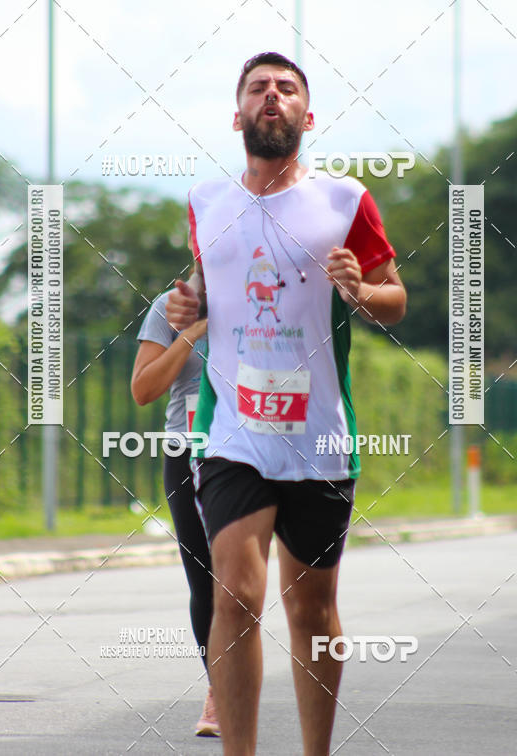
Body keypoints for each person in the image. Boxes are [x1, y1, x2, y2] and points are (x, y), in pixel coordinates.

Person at [166, 52, 407, 756]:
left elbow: (395, 301)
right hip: (233, 431)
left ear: (308, 114)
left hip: (319, 436)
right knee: (235, 597)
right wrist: (192, 304)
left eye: (286, 88)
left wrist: (361, 291)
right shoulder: (207, 201)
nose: (272, 96)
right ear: (236, 113)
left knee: (311, 608)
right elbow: (212, 293)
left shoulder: (344, 201)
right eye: (257, 88)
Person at [130, 271, 219, 737]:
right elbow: (143, 390)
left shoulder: (265, 292)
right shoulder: (172, 304)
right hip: (187, 449)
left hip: (257, 448)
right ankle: (219, 691)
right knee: (206, 578)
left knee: (242, 578)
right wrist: (191, 334)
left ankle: (230, 684)